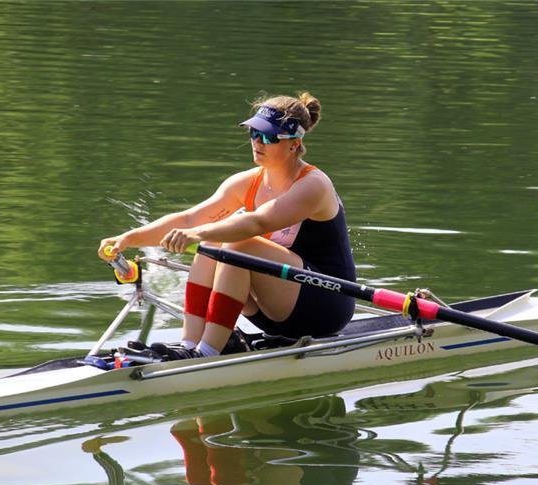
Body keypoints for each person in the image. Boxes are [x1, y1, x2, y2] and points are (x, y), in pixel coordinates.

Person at [98, 92, 356, 359]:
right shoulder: (246, 182)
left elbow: (258, 221)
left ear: (294, 143)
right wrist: (128, 239)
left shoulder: (314, 185)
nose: (257, 142)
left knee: (236, 242)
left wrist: (197, 233)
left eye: (268, 137)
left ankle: (207, 352)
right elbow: (189, 219)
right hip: (273, 310)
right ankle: (190, 345)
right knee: (214, 241)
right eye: (254, 134)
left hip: (326, 305)